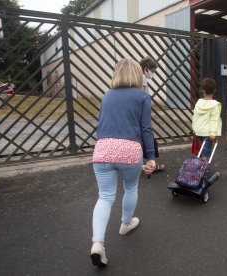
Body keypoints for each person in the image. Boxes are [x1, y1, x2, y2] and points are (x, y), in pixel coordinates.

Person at [90, 58, 156, 266]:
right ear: (138, 74)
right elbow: (146, 129)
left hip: (103, 148)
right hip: (129, 149)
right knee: (130, 186)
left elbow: (101, 125)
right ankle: (126, 223)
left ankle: (97, 244)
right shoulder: (142, 96)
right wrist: (151, 157)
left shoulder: (106, 95)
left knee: (105, 197)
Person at [139, 56, 165, 171]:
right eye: (153, 71)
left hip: (141, 115)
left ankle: (150, 163)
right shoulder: (140, 80)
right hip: (140, 117)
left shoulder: (142, 79)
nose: (153, 74)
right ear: (146, 69)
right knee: (145, 139)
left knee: (147, 141)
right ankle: (151, 164)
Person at [192, 77, 222, 160]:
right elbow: (214, 119)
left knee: (199, 151)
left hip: (198, 131)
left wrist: (194, 128)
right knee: (205, 153)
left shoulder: (199, 102)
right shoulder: (215, 105)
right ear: (214, 90)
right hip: (208, 133)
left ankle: (196, 168)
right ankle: (202, 170)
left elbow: (195, 116)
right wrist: (213, 133)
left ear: (203, 90)